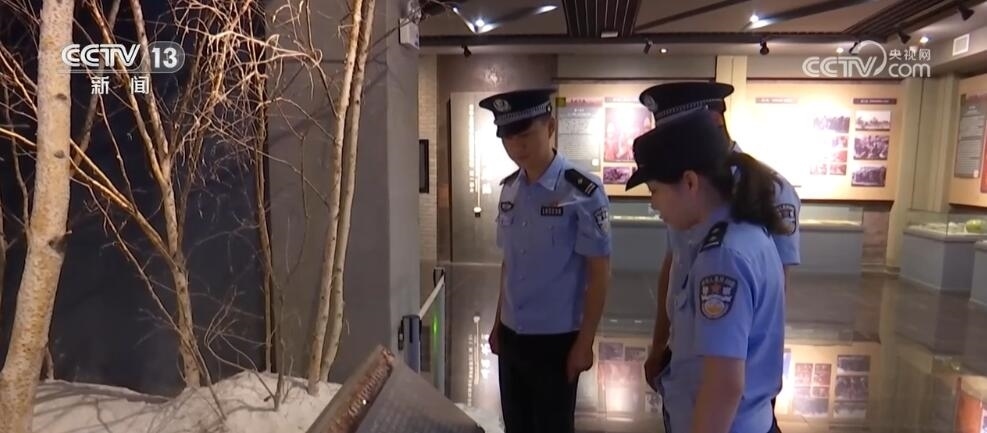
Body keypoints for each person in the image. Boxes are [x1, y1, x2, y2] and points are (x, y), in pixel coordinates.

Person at [624, 104, 787, 433]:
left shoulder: (722, 258)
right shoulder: (745, 232)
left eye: (655, 190)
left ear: (690, 182)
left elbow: (723, 385)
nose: (653, 204)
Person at [479, 88, 612, 433]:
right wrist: (498, 323)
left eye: (525, 134)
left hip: (556, 340)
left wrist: (585, 342)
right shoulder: (510, 189)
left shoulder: (582, 192)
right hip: (513, 335)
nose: (516, 146)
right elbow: (510, 264)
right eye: (508, 138)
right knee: (516, 425)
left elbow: (599, 274)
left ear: (550, 127)